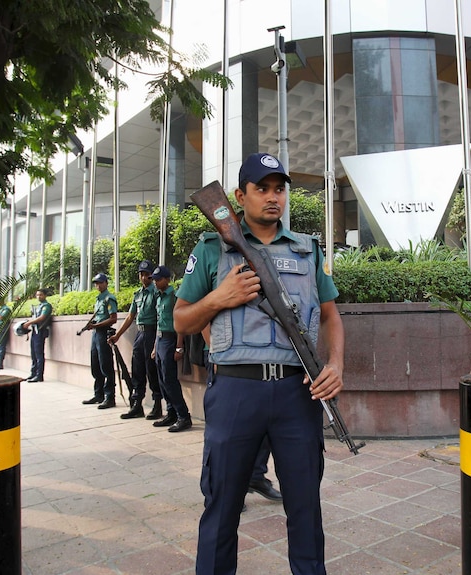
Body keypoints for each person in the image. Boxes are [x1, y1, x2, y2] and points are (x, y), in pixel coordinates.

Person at [174, 152, 344, 574]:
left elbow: (330, 315)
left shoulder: (307, 250)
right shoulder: (213, 248)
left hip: (296, 393)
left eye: (279, 188)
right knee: (222, 507)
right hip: (235, 390)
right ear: (239, 196)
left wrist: (335, 365)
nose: (273, 197)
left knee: (305, 507)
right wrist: (219, 298)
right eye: (262, 188)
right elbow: (179, 317)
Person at [200, 324, 282, 502]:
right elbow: (202, 316)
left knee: (264, 425)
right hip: (225, 360)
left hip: (262, 360)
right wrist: (216, 352)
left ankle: (255, 477)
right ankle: (219, 494)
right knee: (224, 437)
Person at [108, 260, 163, 419]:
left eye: (147, 275)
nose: (144, 277)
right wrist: (117, 335)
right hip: (139, 334)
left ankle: (157, 405)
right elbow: (131, 316)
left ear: (152, 276)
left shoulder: (156, 292)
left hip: (152, 333)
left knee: (152, 370)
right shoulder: (137, 294)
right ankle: (137, 405)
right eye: (142, 274)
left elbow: (160, 317)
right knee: (137, 370)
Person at [149, 264, 191, 431]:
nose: (155, 282)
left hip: (170, 340)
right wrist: (154, 347)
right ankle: (171, 412)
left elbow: (180, 322)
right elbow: (159, 323)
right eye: (154, 280)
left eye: (158, 280)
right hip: (160, 340)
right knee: (161, 379)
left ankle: (183, 416)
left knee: (170, 380)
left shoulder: (174, 296)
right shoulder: (158, 297)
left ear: (167, 279)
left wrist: (179, 346)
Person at [83, 273, 118, 408]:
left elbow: (113, 318)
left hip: (103, 333)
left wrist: (95, 325)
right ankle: (99, 394)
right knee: (95, 364)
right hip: (96, 334)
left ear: (106, 283)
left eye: (100, 283)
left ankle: (110, 397)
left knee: (106, 366)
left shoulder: (109, 299)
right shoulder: (98, 299)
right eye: (96, 283)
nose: (98, 285)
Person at [22, 289, 52, 382]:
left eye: (41, 295)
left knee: (39, 354)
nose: (39, 297)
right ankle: (33, 373)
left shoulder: (46, 306)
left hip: (40, 331)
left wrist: (30, 322)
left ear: (45, 295)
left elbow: (42, 317)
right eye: (37, 295)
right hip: (35, 331)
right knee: (33, 354)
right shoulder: (39, 306)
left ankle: (39, 376)